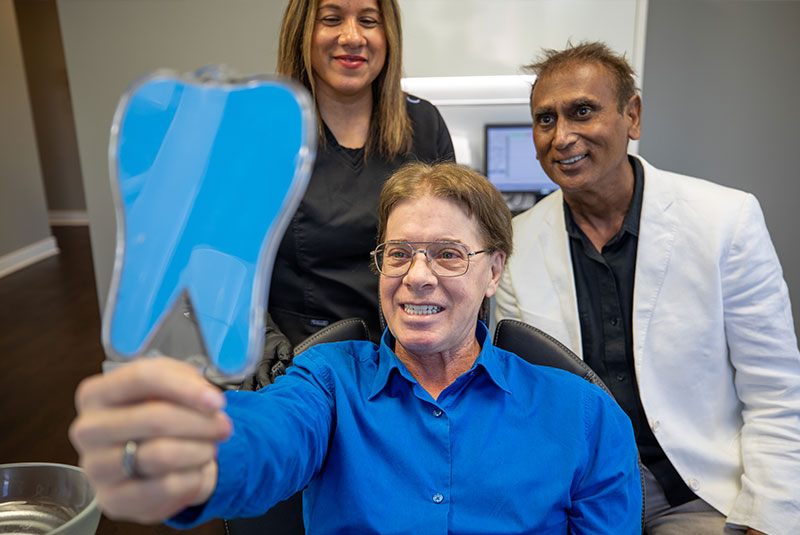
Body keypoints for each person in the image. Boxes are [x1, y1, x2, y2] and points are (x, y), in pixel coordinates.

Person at [69, 162, 642, 534]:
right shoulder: (328, 381)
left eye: (447, 254)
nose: (417, 276)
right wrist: (198, 451)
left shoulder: (586, 416)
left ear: (494, 271)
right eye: (399, 254)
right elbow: (270, 434)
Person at [493, 42, 800, 535]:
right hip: (577, 494)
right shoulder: (515, 245)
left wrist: (767, 519)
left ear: (632, 116)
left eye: (583, 111)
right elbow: (522, 400)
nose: (562, 136)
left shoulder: (726, 221)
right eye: (545, 119)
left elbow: (776, 389)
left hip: (696, 492)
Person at [258, 0, 455, 386]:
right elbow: (225, 262)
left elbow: (456, 249)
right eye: (332, 19)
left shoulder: (424, 124)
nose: (352, 37)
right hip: (298, 363)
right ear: (302, 32)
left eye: (368, 21)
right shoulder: (262, 131)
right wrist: (264, 343)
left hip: (410, 359)